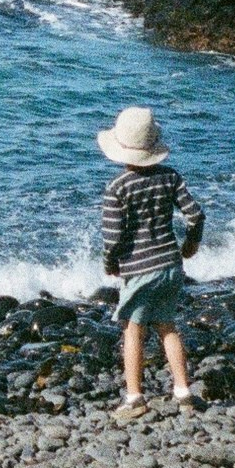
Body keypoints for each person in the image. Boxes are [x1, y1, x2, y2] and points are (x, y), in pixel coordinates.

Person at [97, 108, 204, 419]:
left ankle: (134, 398)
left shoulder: (117, 188)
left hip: (139, 269)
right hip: (171, 264)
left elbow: (113, 237)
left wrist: (110, 264)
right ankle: (183, 392)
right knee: (168, 327)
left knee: (134, 330)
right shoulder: (171, 178)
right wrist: (190, 244)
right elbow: (195, 215)